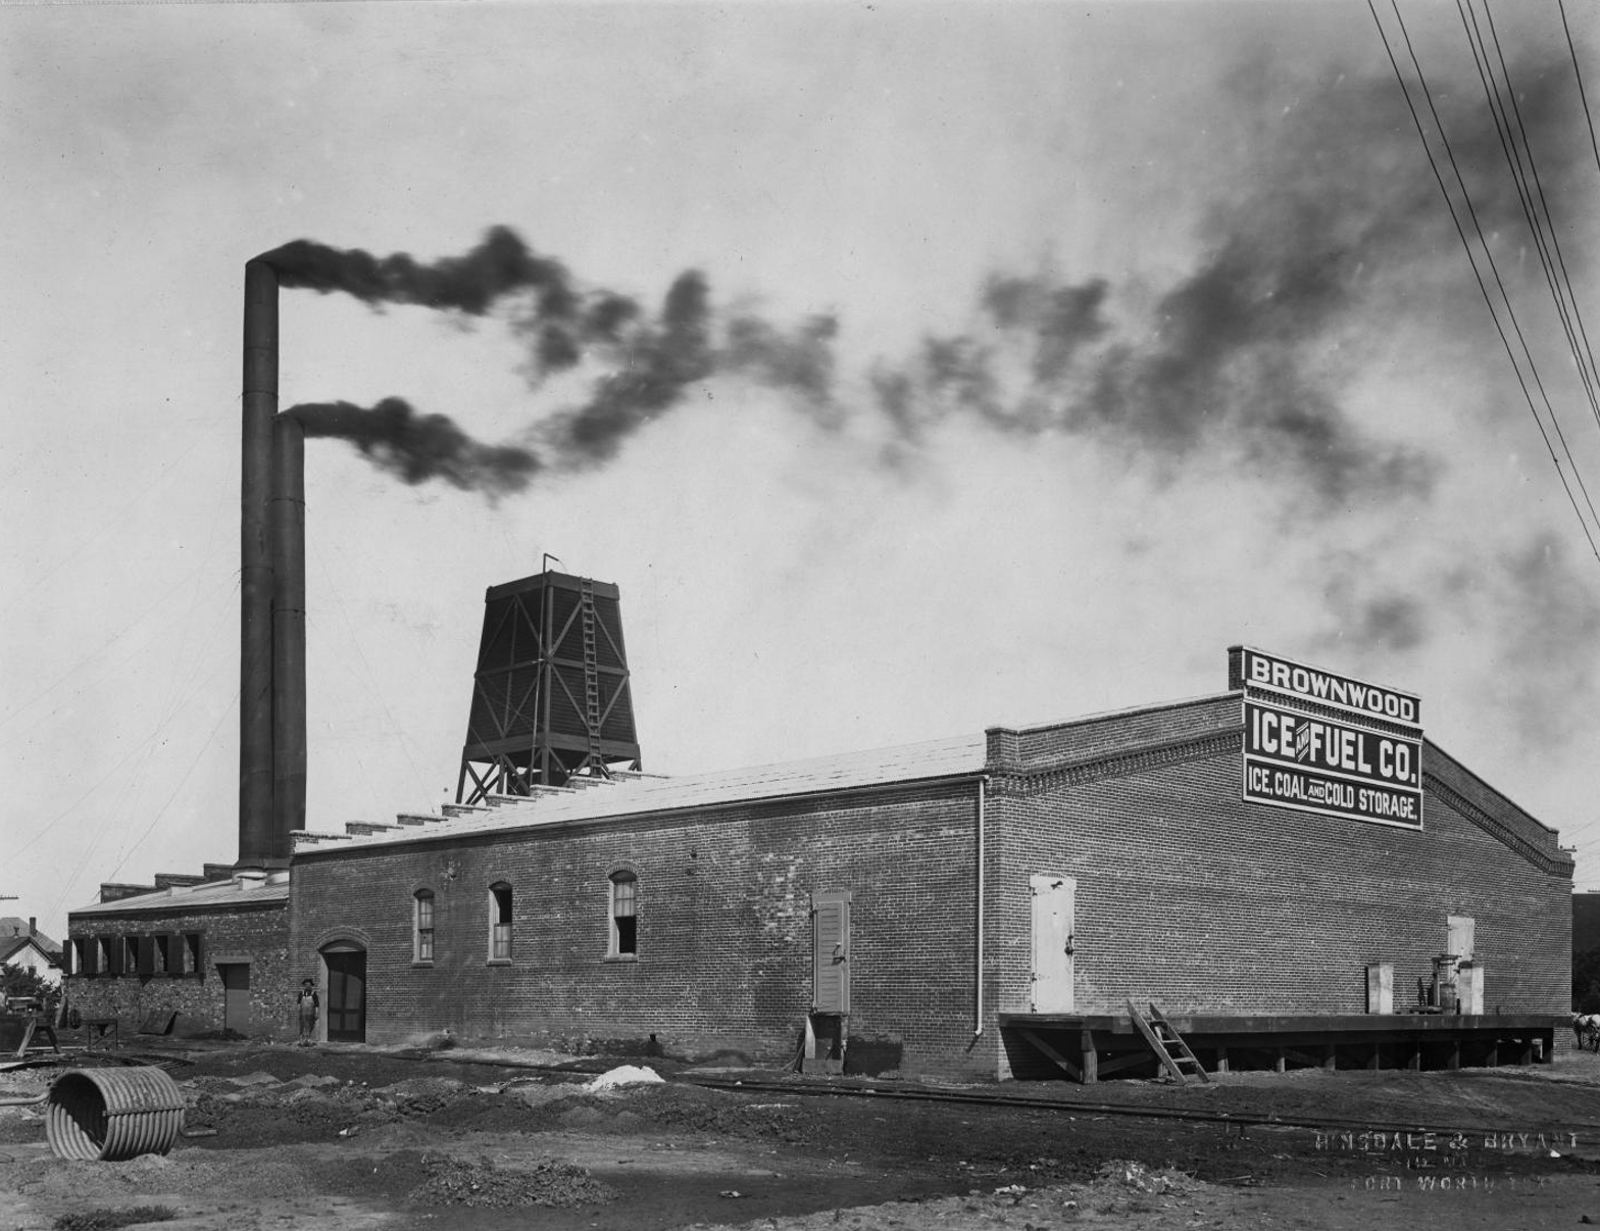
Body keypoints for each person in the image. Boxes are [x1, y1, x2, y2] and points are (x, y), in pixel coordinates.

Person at [296, 978, 319, 1045]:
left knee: (310, 1026)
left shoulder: (313, 994)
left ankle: (308, 1039)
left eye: (308, 984)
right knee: (302, 1026)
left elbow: (317, 1004)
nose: (307, 986)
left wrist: (316, 1013)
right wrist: (299, 1010)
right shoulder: (301, 993)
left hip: (311, 1013)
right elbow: (298, 1003)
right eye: (306, 984)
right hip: (303, 1013)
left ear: (311, 985)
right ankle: (301, 1040)